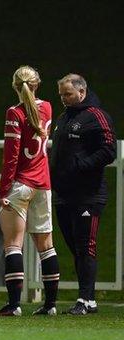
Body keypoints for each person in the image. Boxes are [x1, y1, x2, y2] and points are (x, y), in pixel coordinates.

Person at [0, 66, 60, 316]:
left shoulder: (14, 112)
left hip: (20, 184)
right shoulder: (49, 107)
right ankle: (50, 305)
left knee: (13, 246)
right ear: (37, 84)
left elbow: (11, 156)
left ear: (14, 86)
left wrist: (3, 189)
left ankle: (14, 305)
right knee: (47, 246)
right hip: (43, 184)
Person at [50, 73, 116, 315]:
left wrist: (82, 165)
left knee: (86, 246)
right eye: (61, 95)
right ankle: (87, 299)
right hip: (63, 194)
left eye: (68, 94)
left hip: (88, 194)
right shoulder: (63, 118)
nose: (64, 99)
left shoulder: (97, 116)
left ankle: (86, 300)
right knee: (75, 247)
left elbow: (109, 151)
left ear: (81, 91)